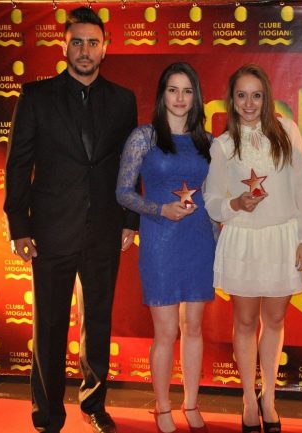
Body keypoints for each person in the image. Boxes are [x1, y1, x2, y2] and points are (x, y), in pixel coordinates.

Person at [3, 6, 138, 433]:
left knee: (97, 320)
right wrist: (18, 226)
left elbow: (129, 168)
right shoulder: (36, 96)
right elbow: (17, 166)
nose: (84, 50)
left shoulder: (122, 100)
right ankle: (47, 415)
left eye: (92, 42)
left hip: (103, 229)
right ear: (64, 45)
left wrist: (130, 220)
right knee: (49, 325)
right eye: (76, 41)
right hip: (49, 230)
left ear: (106, 48)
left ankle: (94, 404)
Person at [203, 64, 302, 433]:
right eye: (241, 95)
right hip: (243, 240)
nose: (249, 103)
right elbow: (211, 201)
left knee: (275, 320)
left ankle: (269, 396)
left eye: (256, 95)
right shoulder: (222, 145)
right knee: (245, 321)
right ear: (231, 100)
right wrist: (235, 204)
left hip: (282, 238)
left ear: (266, 97)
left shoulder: (287, 131)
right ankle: (248, 399)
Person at [116, 62, 214, 433]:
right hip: (159, 240)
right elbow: (123, 192)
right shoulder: (144, 137)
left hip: (198, 240)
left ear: (196, 97)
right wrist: (159, 209)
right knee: (166, 331)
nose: (180, 98)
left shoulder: (207, 140)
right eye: (173, 90)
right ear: (162, 94)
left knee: (194, 329)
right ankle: (161, 407)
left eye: (187, 91)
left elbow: (214, 195)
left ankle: (191, 403)